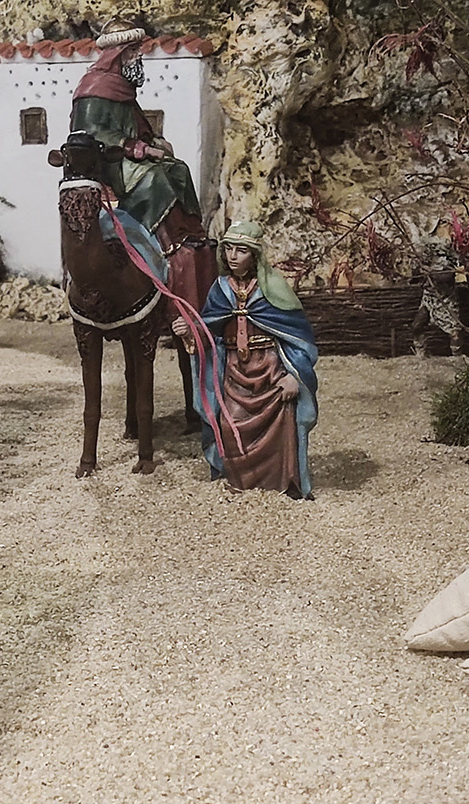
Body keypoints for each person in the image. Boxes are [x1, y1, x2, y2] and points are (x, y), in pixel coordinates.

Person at [71, 18, 215, 315]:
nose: (139, 56)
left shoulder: (121, 87)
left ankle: (187, 230)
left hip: (126, 155)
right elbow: (92, 132)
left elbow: (135, 125)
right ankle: (166, 238)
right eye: (134, 50)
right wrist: (138, 148)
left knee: (177, 168)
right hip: (108, 161)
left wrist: (154, 142)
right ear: (119, 53)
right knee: (152, 177)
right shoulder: (94, 88)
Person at [172, 221, 318, 498]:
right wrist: (190, 330)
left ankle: (282, 483)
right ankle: (240, 482)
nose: (233, 256)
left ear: (255, 255)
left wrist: (294, 375)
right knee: (231, 425)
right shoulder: (221, 289)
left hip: (270, 371)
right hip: (235, 372)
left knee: (280, 428)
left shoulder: (273, 288)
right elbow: (210, 328)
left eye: (241, 250)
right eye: (229, 249)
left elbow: (299, 337)